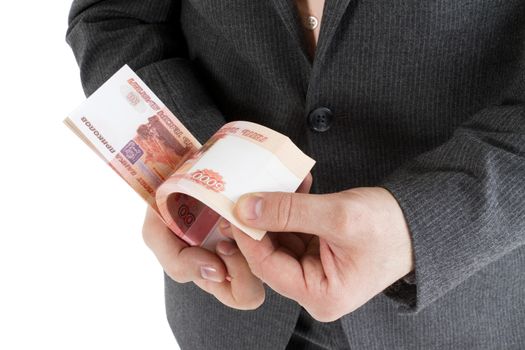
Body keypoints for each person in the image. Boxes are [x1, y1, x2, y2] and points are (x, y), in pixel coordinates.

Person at [67, 0, 525, 349]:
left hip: (468, 311)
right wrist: (196, 172)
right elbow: (115, 17)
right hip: (229, 312)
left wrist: (418, 225)